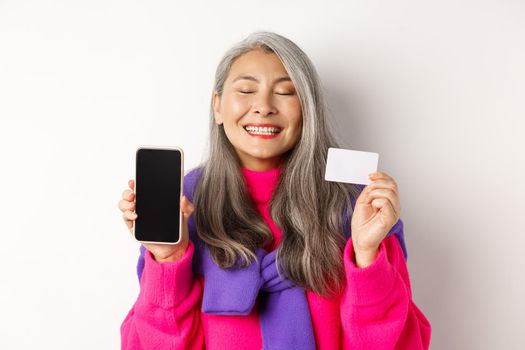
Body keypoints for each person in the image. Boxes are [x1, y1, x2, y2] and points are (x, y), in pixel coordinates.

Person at [117, 30, 432, 349]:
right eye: (246, 89)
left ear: (307, 109)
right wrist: (168, 258)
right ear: (218, 107)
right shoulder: (183, 205)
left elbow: (400, 343)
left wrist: (366, 255)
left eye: (285, 92)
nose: (263, 106)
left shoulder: (357, 205)